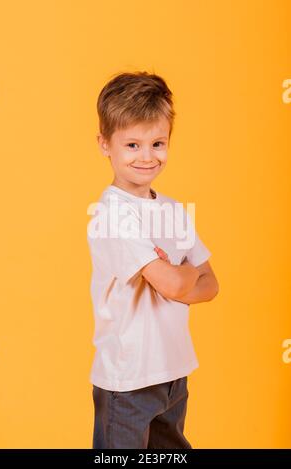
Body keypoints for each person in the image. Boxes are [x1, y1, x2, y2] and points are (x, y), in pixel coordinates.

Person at [87, 71, 219, 449]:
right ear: (105, 144)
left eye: (157, 143)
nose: (147, 157)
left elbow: (211, 285)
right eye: (132, 144)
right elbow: (179, 285)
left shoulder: (174, 210)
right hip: (128, 379)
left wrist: (180, 274)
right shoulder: (112, 215)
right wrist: (184, 276)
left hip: (174, 373)